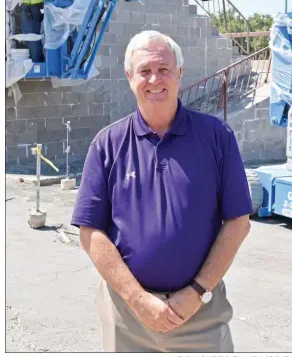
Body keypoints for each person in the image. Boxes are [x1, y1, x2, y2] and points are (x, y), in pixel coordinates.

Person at [71, 30, 253, 352]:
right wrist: (137, 298)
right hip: (127, 314)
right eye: (144, 70)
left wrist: (197, 291)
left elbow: (238, 222)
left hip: (200, 311)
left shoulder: (216, 137)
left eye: (164, 69)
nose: (154, 79)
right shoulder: (107, 144)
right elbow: (91, 233)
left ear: (179, 73)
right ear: (129, 77)